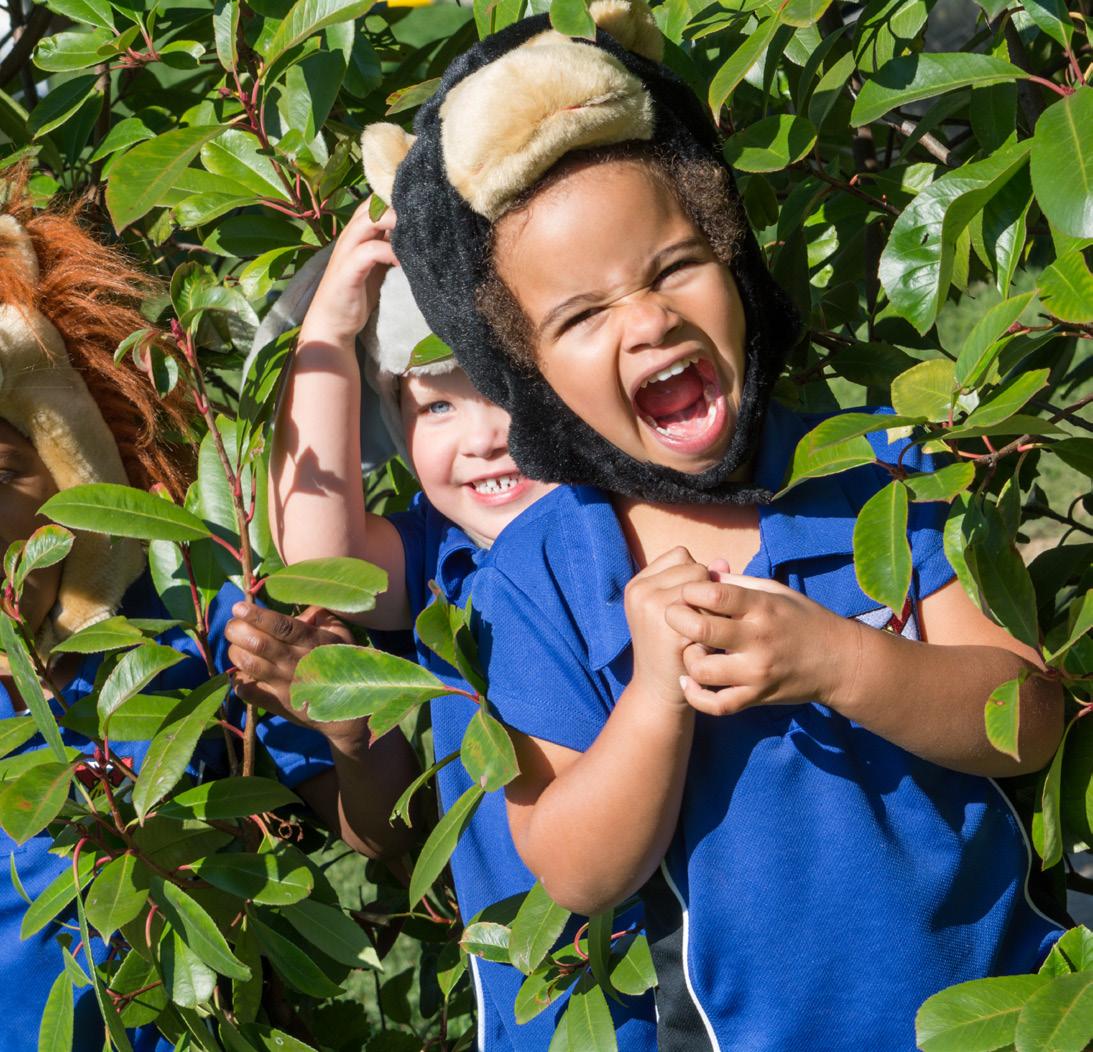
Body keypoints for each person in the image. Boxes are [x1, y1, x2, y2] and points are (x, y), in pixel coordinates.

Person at [377, 5, 1068, 1050]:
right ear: (526, 370)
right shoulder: (538, 577)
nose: (646, 319)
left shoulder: (875, 470)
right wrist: (653, 697)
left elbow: (1030, 716)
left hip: (1003, 1010)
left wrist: (842, 661)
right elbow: (571, 869)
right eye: (580, 316)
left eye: (672, 267)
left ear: (730, 255)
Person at [0, 185, 408, 1052]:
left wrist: (352, 730)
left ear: (72, 470)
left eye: (1, 473)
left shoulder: (186, 617)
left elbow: (384, 839)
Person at [261, 161, 659, 1048]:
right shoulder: (444, 558)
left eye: (504, 389)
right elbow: (316, 559)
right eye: (436, 408)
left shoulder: (612, 515)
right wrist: (328, 328)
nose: (482, 437)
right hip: (528, 984)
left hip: (667, 968)